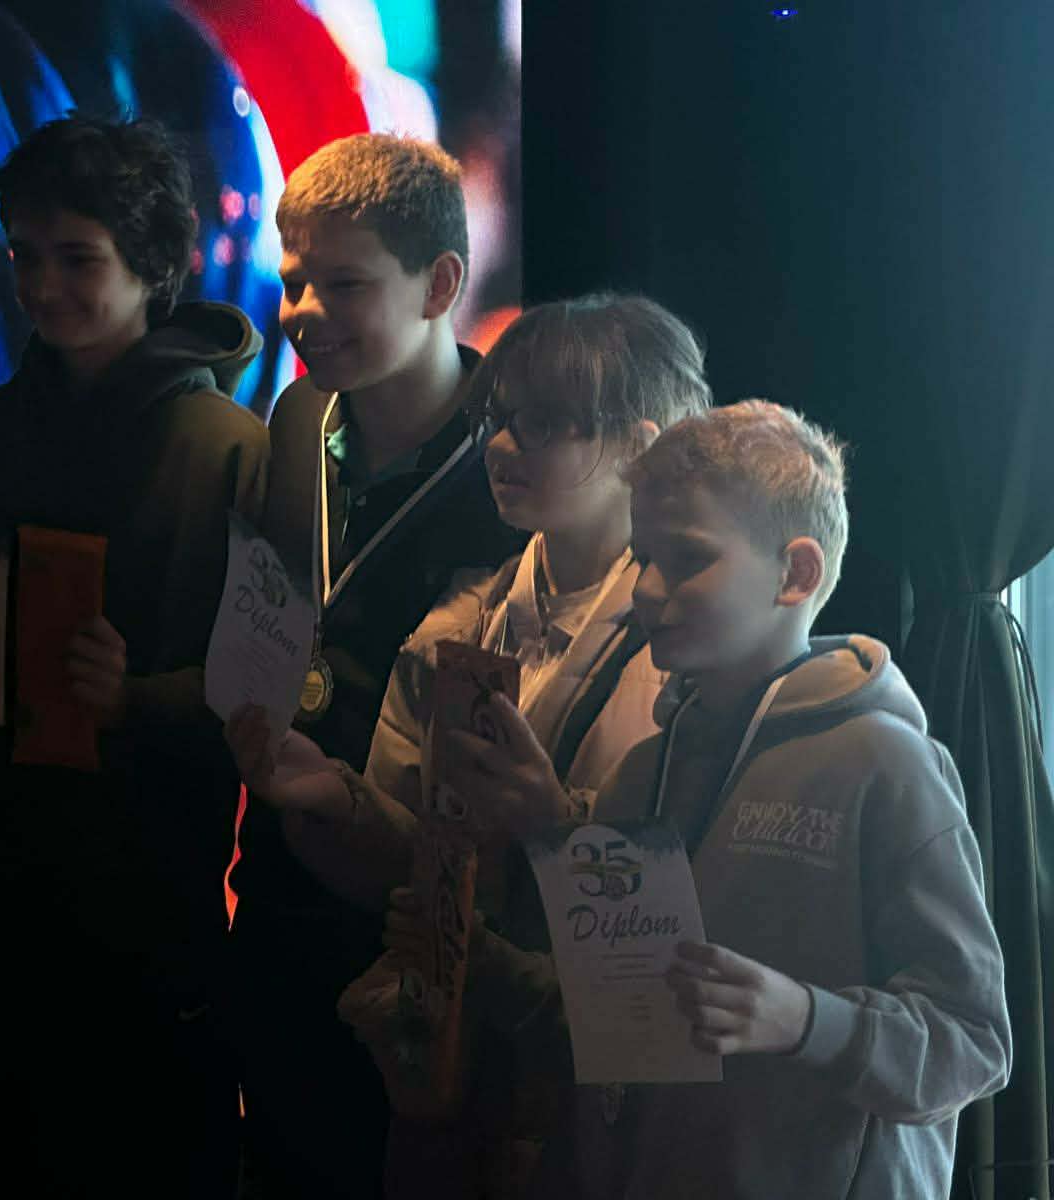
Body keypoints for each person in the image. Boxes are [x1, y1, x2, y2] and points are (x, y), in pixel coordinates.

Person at [0, 114, 269, 1198]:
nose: (42, 286)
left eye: (78, 259)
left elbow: (279, 694)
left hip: (150, 918)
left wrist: (138, 700)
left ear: (154, 266)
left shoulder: (228, 451)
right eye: (25, 255)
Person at [457, 400, 1011, 1198]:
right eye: (643, 557)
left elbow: (974, 1044)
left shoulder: (889, 767)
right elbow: (624, 1024)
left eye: (687, 558)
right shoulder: (640, 773)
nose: (646, 589)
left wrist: (806, 1020)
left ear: (796, 575)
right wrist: (477, 964)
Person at [229, 294, 712, 1195]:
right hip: (451, 1085)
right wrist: (335, 795)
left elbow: (677, 949)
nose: (501, 446)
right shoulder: (463, 621)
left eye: (544, 425)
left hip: (606, 1106)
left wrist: (552, 821)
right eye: (499, 418)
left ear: (640, 448)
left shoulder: (693, 654)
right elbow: (416, 868)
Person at [227, 131, 515, 1200]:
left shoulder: (507, 469)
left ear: (439, 285)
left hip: (413, 904)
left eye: (344, 285)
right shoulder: (296, 422)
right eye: (293, 282)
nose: (304, 313)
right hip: (281, 876)